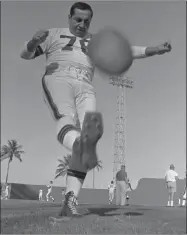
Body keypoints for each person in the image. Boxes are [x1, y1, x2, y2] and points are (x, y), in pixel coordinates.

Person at [20, 1, 172, 217]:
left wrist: (153, 50)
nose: (82, 24)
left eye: (86, 21)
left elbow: (125, 51)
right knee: (66, 119)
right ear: (70, 17)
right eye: (78, 19)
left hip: (86, 86)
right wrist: (32, 42)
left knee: (90, 134)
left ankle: (70, 200)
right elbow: (25, 54)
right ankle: (78, 145)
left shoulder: (94, 40)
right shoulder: (54, 34)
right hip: (58, 77)